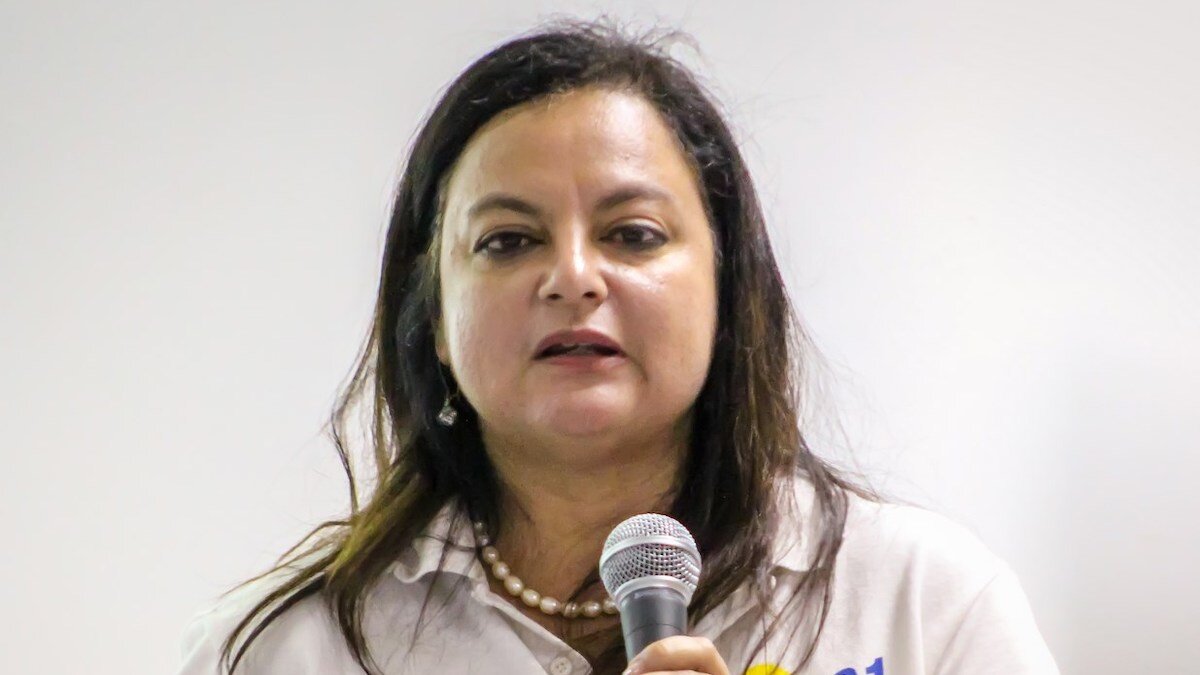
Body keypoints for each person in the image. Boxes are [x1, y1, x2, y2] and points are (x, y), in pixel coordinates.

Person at [177, 21, 1059, 675]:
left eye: (633, 234)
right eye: (508, 240)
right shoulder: (277, 649)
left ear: (728, 291)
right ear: (434, 321)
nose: (572, 277)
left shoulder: (922, 602)